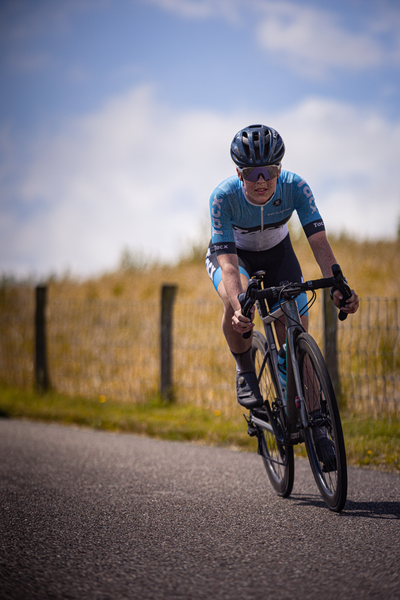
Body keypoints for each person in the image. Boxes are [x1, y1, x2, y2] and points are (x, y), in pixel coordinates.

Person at [205, 124, 359, 463]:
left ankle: (317, 423)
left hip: (279, 252)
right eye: (253, 173)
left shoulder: (295, 187)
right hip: (234, 257)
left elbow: (318, 241)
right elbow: (228, 267)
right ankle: (246, 368)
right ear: (239, 173)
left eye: (270, 171)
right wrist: (238, 305)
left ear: (279, 169)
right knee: (240, 303)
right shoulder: (223, 197)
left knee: (295, 333)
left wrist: (337, 282)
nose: (262, 181)